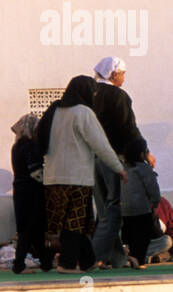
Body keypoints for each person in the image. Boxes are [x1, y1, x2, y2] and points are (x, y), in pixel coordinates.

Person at [38, 75, 127, 273]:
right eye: (93, 92)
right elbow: (100, 145)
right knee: (75, 223)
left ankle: (88, 261)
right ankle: (67, 264)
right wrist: (118, 167)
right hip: (76, 178)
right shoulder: (83, 113)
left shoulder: (55, 111)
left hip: (53, 178)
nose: (95, 95)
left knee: (79, 222)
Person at [91, 56, 148, 269]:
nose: (124, 77)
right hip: (113, 159)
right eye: (122, 73)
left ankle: (116, 258)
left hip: (92, 159)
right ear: (114, 74)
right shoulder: (119, 96)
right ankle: (94, 256)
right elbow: (128, 128)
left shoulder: (90, 95)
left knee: (104, 211)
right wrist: (144, 152)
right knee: (114, 209)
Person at [10, 113, 53, 274]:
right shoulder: (29, 146)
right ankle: (19, 265)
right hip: (32, 192)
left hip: (20, 191)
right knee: (31, 230)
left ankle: (46, 263)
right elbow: (35, 172)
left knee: (31, 230)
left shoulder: (16, 146)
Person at [120, 138, 163, 267]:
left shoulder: (122, 168)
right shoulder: (144, 168)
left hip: (125, 209)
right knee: (143, 236)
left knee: (131, 235)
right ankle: (138, 259)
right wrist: (155, 202)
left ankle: (133, 256)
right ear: (142, 153)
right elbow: (152, 188)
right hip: (141, 208)